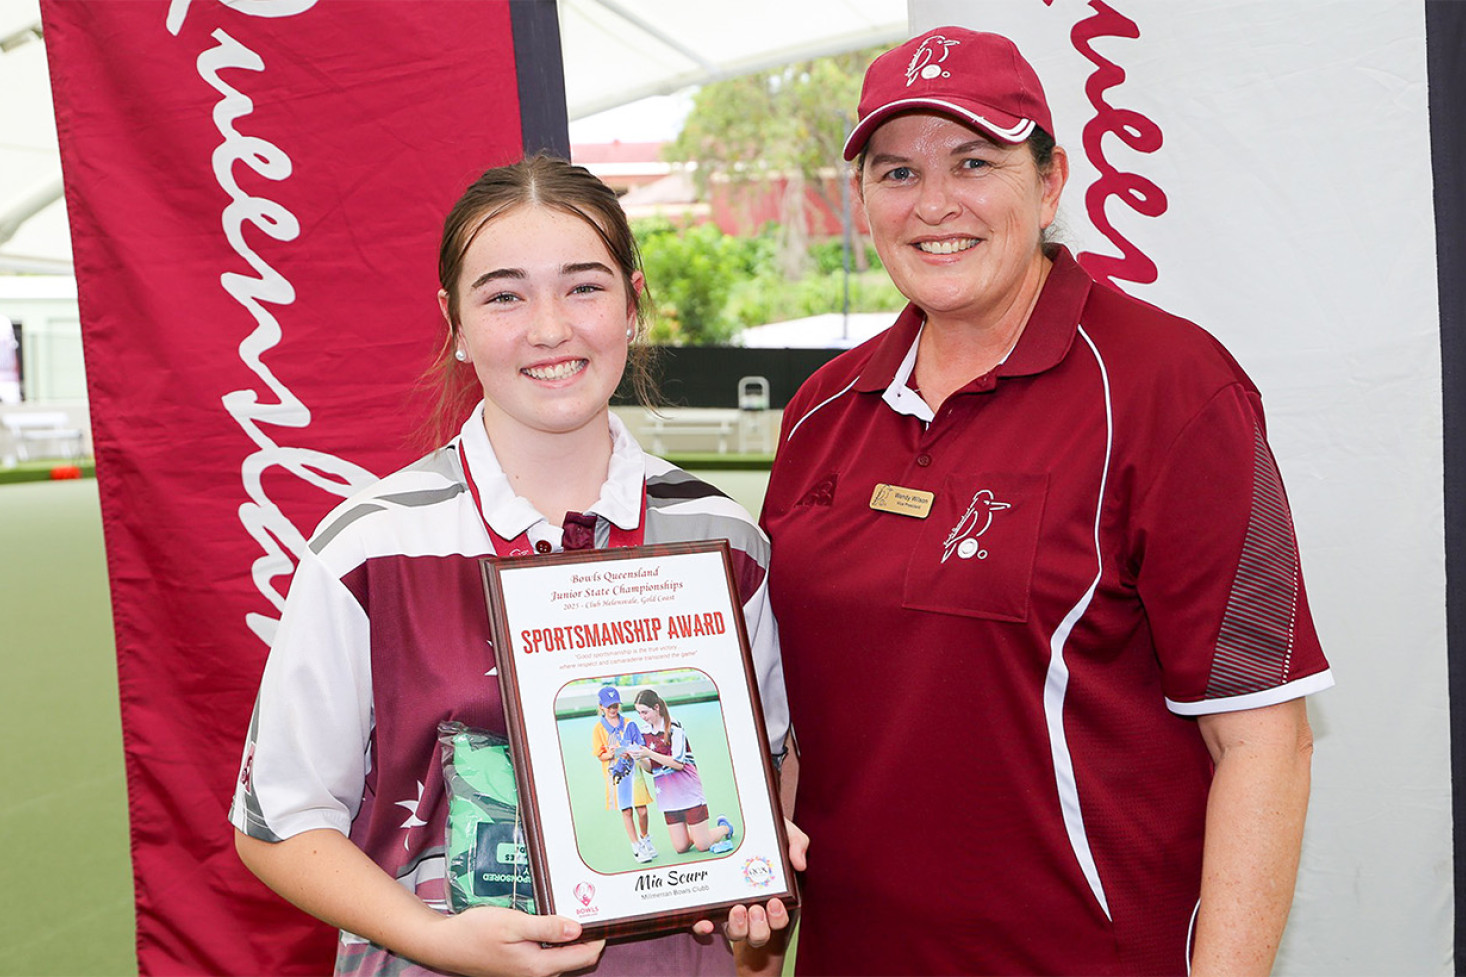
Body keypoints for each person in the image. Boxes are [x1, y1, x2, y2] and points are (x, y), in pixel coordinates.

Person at [760, 27, 1333, 977]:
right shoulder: (821, 411)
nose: (935, 203)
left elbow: (1265, 739)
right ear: (863, 202)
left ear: (1051, 178)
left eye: (975, 161)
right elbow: (799, 724)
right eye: (896, 174)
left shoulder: (1175, 388)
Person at [229, 155, 798, 977]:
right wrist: (436, 939)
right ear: (454, 321)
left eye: (584, 287)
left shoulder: (724, 535)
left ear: (633, 302)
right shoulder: (366, 547)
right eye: (504, 294)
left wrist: (756, 899)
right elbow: (277, 821)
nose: (548, 327)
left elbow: (768, 771)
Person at [630, 688, 735, 855]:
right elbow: (651, 768)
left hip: (688, 790)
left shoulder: (674, 727)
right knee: (681, 847)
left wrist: (648, 753)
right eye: (639, 713)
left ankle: (724, 828)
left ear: (656, 707)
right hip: (668, 795)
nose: (642, 717)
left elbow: (678, 764)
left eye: (645, 712)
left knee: (703, 845)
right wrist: (638, 757)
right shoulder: (644, 731)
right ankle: (698, 833)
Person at [591, 685, 657, 864]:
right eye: (609, 706)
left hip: (634, 773)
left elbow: (640, 745)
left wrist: (631, 750)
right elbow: (600, 755)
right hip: (616, 775)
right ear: (601, 706)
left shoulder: (629, 723)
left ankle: (645, 839)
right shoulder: (598, 729)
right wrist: (612, 753)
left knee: (642, 811)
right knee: (626, 810)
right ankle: (636, 846)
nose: (613, 710)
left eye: (615, 706)